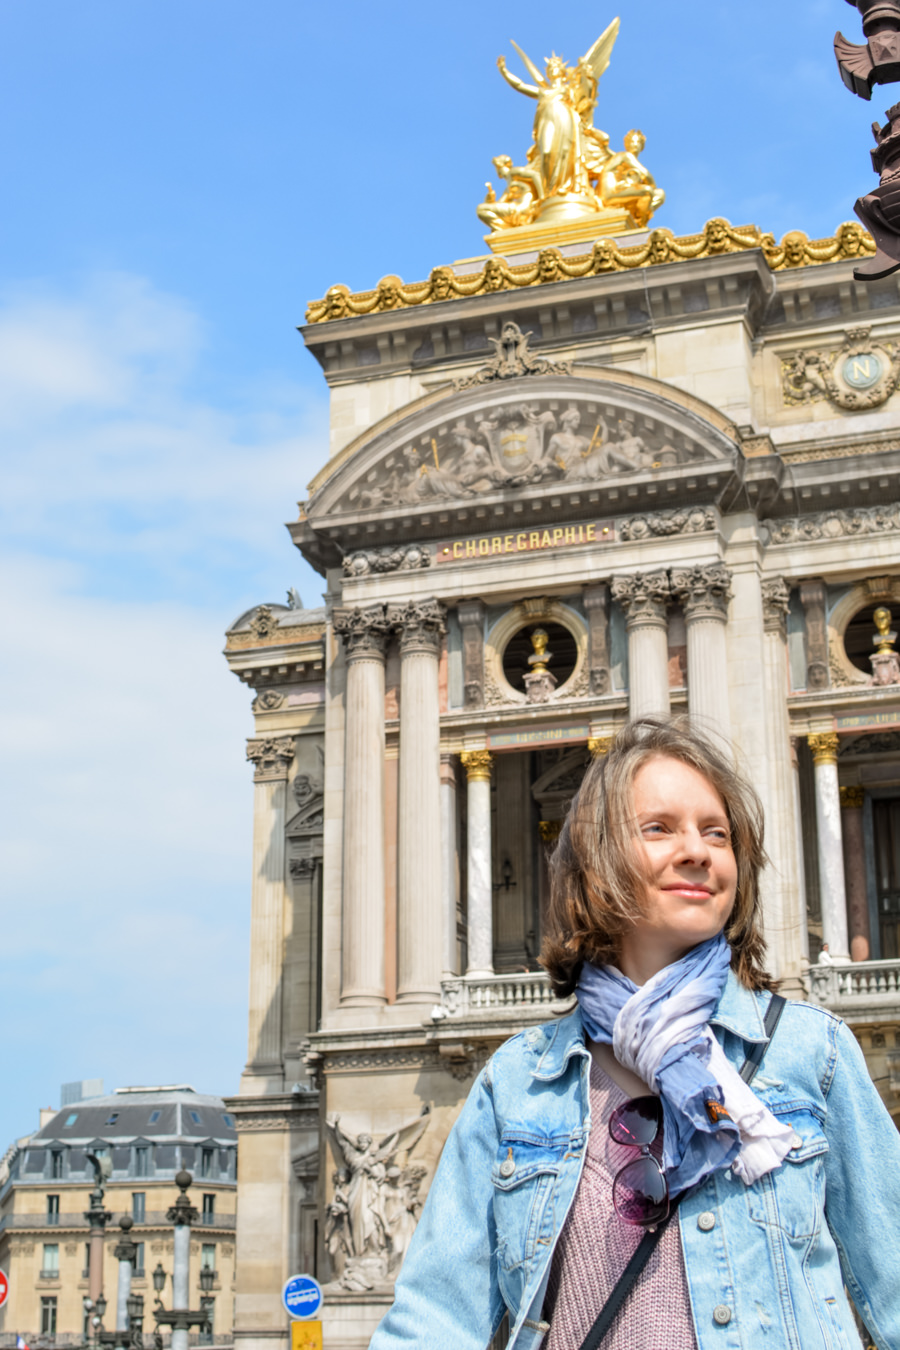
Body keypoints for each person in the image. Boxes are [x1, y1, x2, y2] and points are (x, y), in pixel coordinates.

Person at [369, 717, 900, 1350]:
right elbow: (434, 1322)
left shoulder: (811, 1056)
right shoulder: (518, 1084)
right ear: (595, 865)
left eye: (717, 833)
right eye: (659, 829)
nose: (698, 851)